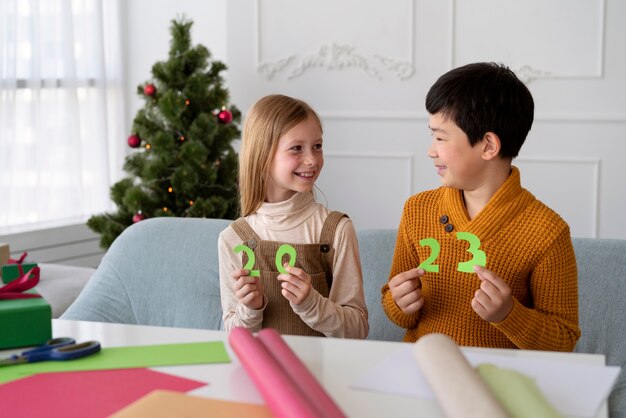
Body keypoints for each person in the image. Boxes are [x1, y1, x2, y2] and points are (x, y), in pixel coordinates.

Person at [381, 62, 580, 351]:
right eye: (431, 136)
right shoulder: (417, 210)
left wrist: (509, 315)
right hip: (424, 372)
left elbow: (564, 338)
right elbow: (396, 308)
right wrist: (400, 304)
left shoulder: (548, 232)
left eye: (440, 137)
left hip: (500, 382)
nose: (430, 150)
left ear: (488, 146)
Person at [219, 94, 368, 338]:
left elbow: (357, 329)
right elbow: (233, 336)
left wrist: (312, 303)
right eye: (296, 148)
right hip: (260, 373)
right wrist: (250, 309)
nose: (312, 160)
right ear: (262, 155)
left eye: (317, 146)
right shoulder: (233, 238)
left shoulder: (337, 229)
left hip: (324, 372)